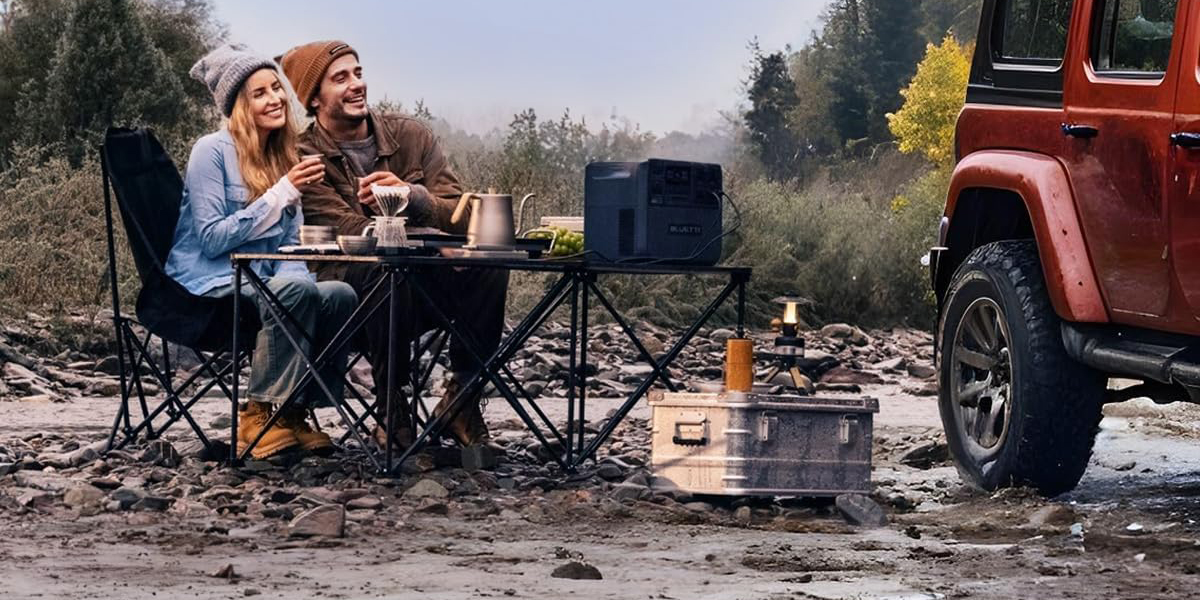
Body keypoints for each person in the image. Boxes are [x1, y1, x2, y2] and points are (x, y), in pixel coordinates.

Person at [277, 41, 507, 450]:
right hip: (354, 289)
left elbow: (461, 212)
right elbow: (343, 226)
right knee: (385, 267)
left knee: (489, 262)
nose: (356, 85)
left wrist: (413, 195)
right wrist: (427, 241)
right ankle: (391, 406)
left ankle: (463, 397)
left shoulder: (411, 135)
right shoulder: (302, 154)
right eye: (341, 78)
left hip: (426, 281)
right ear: (314, 97)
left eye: (359, 73)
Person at [165, 44, 358, 459]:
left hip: (264, 282)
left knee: (337, 294)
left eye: (276, 88)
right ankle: (258, 414)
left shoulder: (282, 158)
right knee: (291, 292)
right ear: (238, 105)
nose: (275, 99)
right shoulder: (211, 152)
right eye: (260, 93)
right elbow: (213, 238)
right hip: (207, 286)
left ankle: (294, 413)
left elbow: (289, 249)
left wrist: (305, 276)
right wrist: (281, 192)